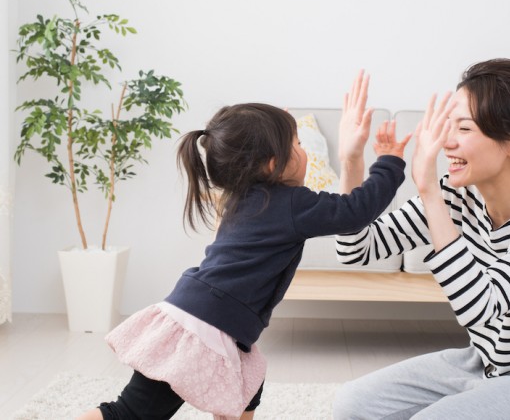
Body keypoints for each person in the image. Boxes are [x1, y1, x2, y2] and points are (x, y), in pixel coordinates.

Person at [77, 71, 411, 420]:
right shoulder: (290, 203)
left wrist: (277, 132)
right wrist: (388, 163)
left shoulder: (244, 195)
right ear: (272, 163)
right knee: (129, 414)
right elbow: (354, 211)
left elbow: (337, 206)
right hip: (203, 324)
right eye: (297, 144)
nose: (302, 152)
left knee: (247, 387)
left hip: (204, 316)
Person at [333, 58, 510, 419]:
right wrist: (352, 161)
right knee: (352, 404)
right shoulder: (459, 194)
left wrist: (429, 191)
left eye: (463, 128)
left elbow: (480, 307)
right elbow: (356, 249)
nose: (446, 141)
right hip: (484, 362)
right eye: (448, 126)